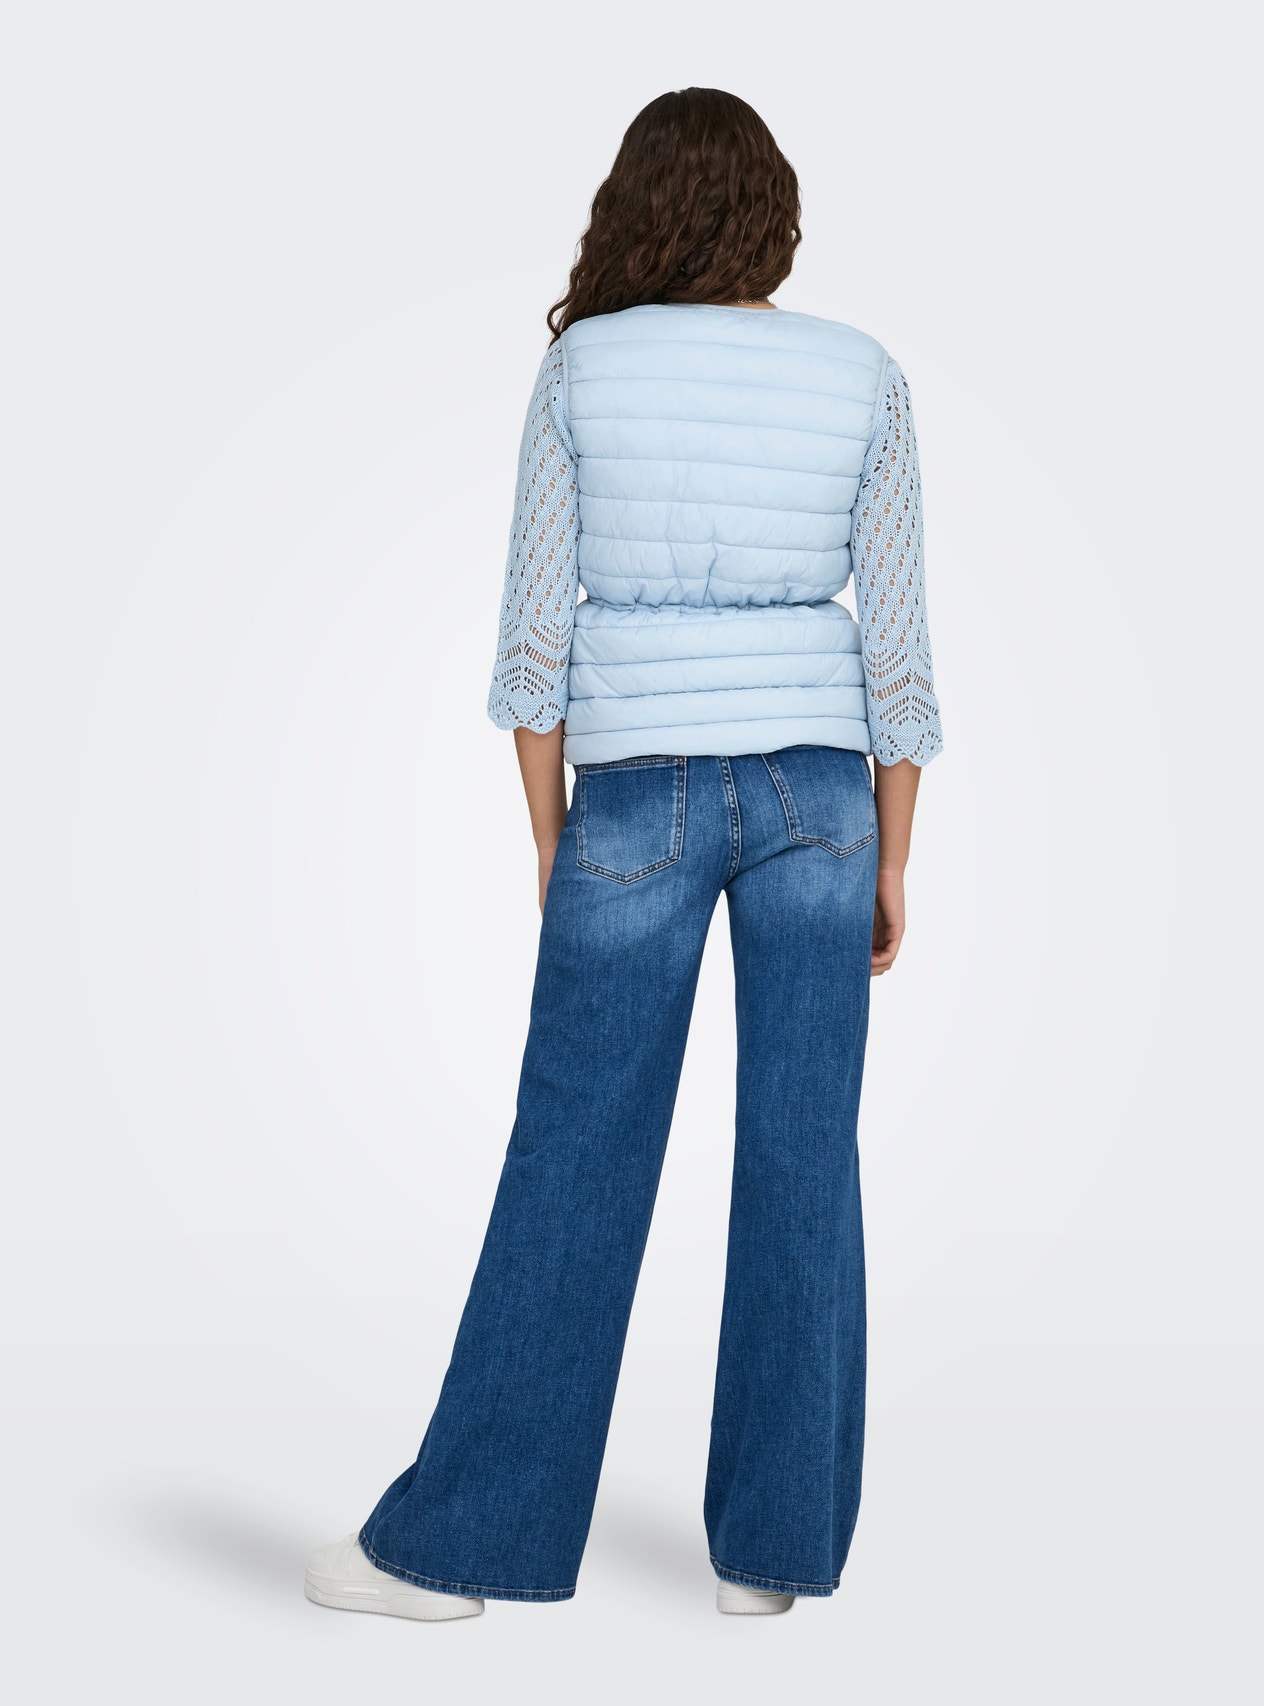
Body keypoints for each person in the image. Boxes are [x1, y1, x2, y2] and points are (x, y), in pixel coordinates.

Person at [306, 86, 941, 1623]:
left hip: (634, 792)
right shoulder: (863, 373)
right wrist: (895, 859)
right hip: (820, 792)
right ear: (774, 213)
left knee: (574, 1154)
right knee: (805, 1155)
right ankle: (772, 1556)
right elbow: (902, 654)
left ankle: (457, 1552)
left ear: (636, 207)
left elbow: (534, 644)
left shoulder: (582, 367)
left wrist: (551, 835)